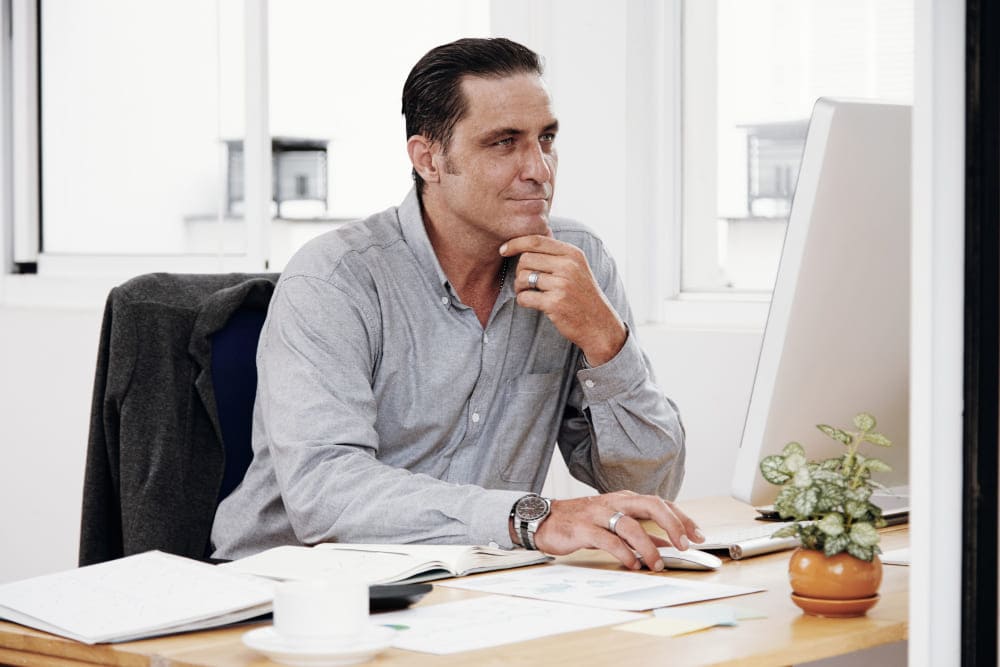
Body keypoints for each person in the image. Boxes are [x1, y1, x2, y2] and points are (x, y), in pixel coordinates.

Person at [211, 37, 703, 571]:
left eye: (547, 138)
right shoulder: (334, 278)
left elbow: (648, 487)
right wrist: (530, 518)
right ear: (429, 160)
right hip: (293, 591)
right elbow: (324, 494)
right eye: (503, 143)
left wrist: (607, 341)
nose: (539, 168)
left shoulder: (577, 264)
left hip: (471, 586)